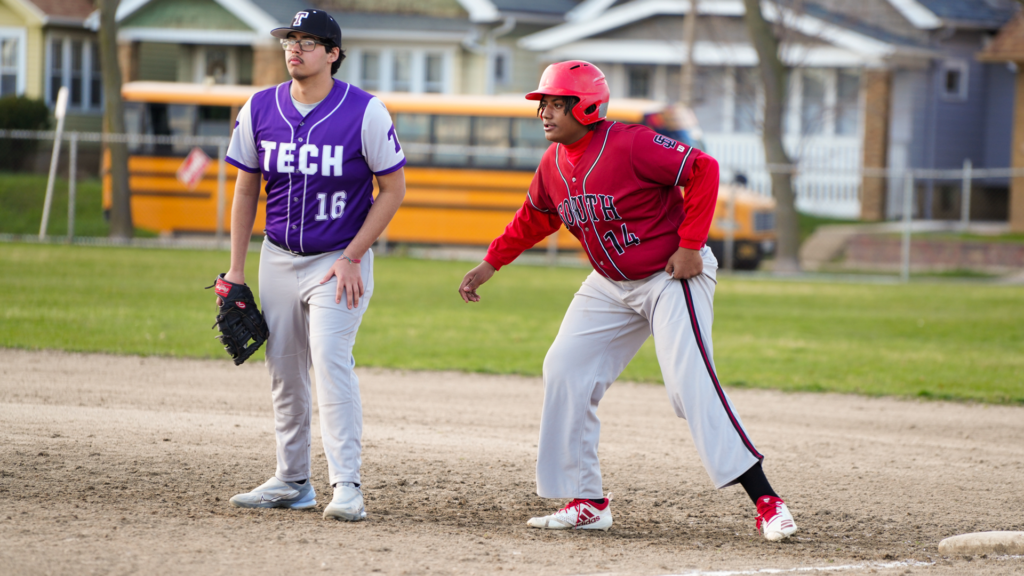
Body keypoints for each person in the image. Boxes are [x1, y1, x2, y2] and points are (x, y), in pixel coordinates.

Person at [457, 61, 797, 541]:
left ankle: (767, 500)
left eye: (557, 103)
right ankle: (587, 501)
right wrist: (491, 263)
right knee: (565, 369)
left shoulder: (630, 143)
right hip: (610, 284)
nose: (546, 113)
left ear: (587, 106)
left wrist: (690, 243)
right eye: (544, 104)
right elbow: (534, 218)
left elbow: (703, 169)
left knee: (688, 383)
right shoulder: (553, 164)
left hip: (670, 274)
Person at [219, 9, 406, 522]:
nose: (294, 48)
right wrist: (236, 270)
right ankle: (292, 480)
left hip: (337, 261)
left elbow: (393, 190)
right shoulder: (259, 108)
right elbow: (246, 187)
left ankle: (347, 485)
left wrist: (353, 256)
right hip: (277, 256)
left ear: (333, 54)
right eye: (289, 39)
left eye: (307, 40)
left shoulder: (364, 112)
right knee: (283, 370)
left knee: (328, 359)